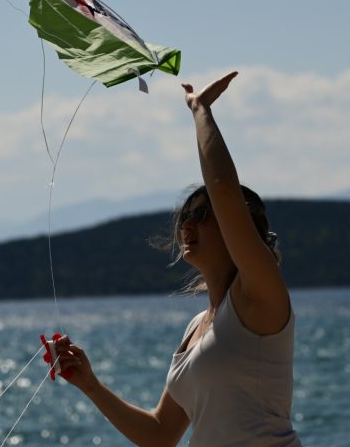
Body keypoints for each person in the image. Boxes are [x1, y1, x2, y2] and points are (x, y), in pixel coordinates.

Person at [54, 71, 302, 446]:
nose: (188, 223)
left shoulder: (259, 294)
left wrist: (200, 110)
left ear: (238, 228)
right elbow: (160, 434)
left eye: (202, 215)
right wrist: (90, 384)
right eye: (185, 215)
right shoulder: (196, 327)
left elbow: (222, 188)